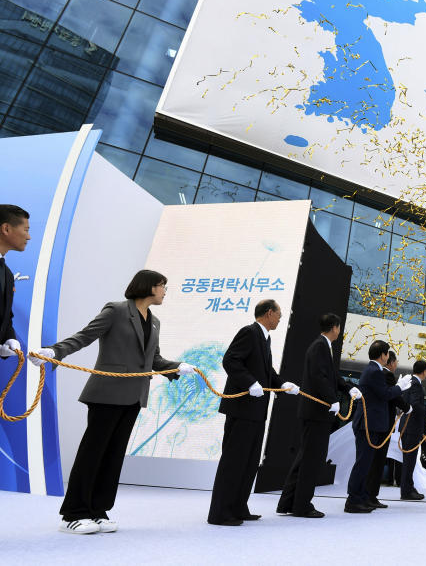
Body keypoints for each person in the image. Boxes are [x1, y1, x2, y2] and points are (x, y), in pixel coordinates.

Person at [28, 269, 195, 534]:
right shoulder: (116, 310)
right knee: (92, 454)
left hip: (134, 397)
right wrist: (54, 351)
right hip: (106, 394)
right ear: (149, 287)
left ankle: (98, 511)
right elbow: (84, 336)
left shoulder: (154, 322)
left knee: (113, 456)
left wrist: (177, 367)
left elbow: (154, 360)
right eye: (163, 286)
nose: (165, 292)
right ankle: (73, 513)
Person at [208, 299, 299, 526]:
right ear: (269, 313)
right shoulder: (249, 332)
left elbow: (267, 371)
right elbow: (230, 360)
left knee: (249, 463)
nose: (279, 319)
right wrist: (249, 383)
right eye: (278, 315)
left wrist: (283, 385)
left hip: (256, 412)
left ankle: (238, 506)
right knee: (234, 461)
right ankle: (220, 512)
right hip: (242, 410)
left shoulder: (264, 339)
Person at [277, 313, 359, 518]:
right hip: (316, 411)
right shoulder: (320, 347)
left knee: (306, 457)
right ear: (334, 327)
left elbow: (332, 376)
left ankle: (289, 502)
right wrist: (332, 399)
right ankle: (302, 505)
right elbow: (319, 377)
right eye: (339, 327)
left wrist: (348, 388)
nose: (339, 331)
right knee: (311, 460)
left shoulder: (323, 347)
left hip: (314, 412)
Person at [345, 341, 411, 513]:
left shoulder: (373, 370)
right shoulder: (374, 371)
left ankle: (361, 498)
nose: (388, 357)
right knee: (362, 463)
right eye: (387, 354)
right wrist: (399, 387)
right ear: (383, 355)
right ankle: (353, 500)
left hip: (371, 424)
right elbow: (385, 394)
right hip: (368, 424)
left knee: (365, 464)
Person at [363, 350, 411, 508]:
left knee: (375, 461)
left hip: (379, 423)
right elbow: (393, 396)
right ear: (389, 361)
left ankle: (369, 495)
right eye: (396, 361)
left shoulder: (380, 373)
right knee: (376, 461)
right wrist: (407, 407)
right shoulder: (387, 375)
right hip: (382, 424)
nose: (396, 364)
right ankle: (370, 496)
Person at [399, 359, 426, 500]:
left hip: (407, 427)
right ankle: (406, 491)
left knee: (409, 461)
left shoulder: (410, 382)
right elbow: (415, 405)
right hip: (411, 427)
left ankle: (408, 488)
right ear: (424, 371)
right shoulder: (416, 385)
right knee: (409, 461)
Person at [0, 205, 29, 361]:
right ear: (6, 229)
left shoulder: (8, 274)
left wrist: (9, 338)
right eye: (25, 230)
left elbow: (5, 316)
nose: (29, 237)